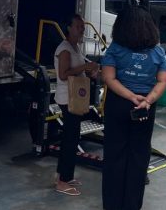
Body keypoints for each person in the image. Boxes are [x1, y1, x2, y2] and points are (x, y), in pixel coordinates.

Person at [101, 6, 166, 210]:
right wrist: (147, 100)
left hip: (119, 104)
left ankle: (112, 205)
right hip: (145, 108)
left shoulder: (115, 49)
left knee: (114, 155)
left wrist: (130, 96)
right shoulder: (157, 51)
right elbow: (164, 80)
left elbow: (108, 77)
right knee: (139, 156)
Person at [53, 14, 98, 196]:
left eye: (82, 26)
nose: (82, 29)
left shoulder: (75, 47)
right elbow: (64, 75)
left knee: (73, 137)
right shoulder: (64, 49)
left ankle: (66, 175)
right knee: (69, 139)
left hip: (75, 99)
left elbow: (79, 70)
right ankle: (62, 181)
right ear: (69, 28)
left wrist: (89, 70)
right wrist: (83, 68)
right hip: (67, 98)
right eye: (79, 26)